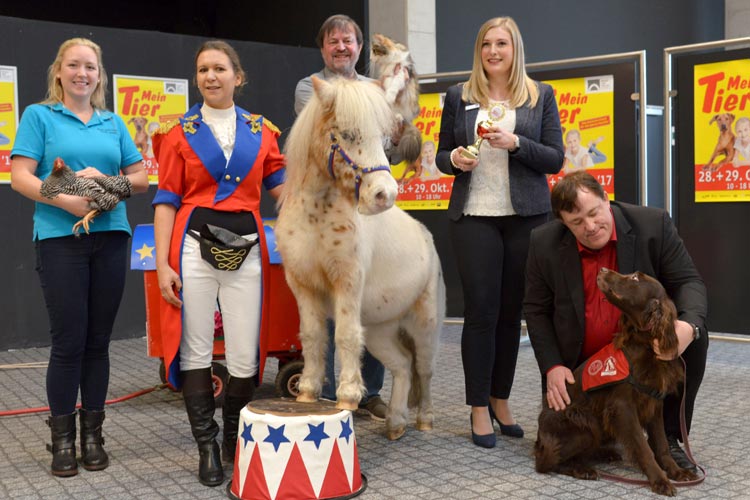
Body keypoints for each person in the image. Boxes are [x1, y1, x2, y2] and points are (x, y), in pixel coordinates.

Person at [9, 37, 148, 477]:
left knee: (98, 342)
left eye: (90, 66)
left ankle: (93, 435)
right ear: (59, 72)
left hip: (110, 237)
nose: (82, 73)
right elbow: (20, 177)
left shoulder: (113, 122)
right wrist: (65, 199)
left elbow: (140, 179)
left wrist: (104, 182)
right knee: (69, 342)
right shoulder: (39, 116)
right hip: (59, 239)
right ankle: (63, 440)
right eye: (74, 65)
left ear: (99, 75)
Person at [152, 40, 285, 487]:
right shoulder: (178, 132)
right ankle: (206, 446)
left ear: (237, 77)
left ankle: (233, 439)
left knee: (246, 354)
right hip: (191, 246)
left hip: (248, 246)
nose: (211, 76)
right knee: (196, 348)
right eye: (203, 69)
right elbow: (166, 202)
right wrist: (164, 266)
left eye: (220, 69)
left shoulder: (262, 131)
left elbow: (285, 191)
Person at [435, 16, 564, 448]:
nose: (493, 51)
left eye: (502, 44)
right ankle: (476, 407)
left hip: (526, 217)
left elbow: (554, 159)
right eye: (487, 43)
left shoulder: (539, 96)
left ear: (515, 49)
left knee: (513, 315)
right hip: (473, 215)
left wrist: (516, 145)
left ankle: (500, 398)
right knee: (482, 312)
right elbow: (439, 155)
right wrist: (454, 157)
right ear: (479, 50)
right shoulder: (458, 95)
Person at [524, 170, 708, 472]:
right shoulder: (543, 243)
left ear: (605, 198)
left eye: (594, 213)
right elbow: (535, 309)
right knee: (572, 433)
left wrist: (688, 327)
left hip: (640, 347)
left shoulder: (652, 224)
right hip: (581, 360)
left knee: (696, 337)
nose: (590, 226)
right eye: (576, 222)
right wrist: (552, 365)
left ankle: (669, 439)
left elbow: (689, 281)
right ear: (563, 223)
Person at [293, 14, 388, 421]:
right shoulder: (310, 87)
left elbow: (387, 143)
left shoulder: (374, 88)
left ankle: (372, 390)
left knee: (373, 296)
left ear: (359, 47)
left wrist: (396, 134)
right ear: (323, 50)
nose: (341, 48)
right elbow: (330, 133)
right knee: (333, 296)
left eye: (348, 41)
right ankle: (329, 387)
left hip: (368, 196)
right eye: (333, 42)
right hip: (329, 207)